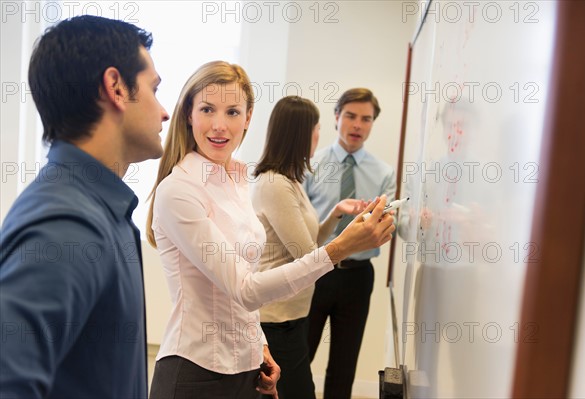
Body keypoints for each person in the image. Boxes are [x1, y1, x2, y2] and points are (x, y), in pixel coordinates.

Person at [146, 63, 394, 399]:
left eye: (232, 111)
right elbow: (245, 289)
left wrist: (258, 347)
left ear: (248, 118)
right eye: (207, 109)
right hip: (195, 371)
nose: (220, 125)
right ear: (189, 114)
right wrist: (341, 248)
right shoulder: (179, 190)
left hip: (247, 367)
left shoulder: (236, 181)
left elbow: (246, 279)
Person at [0, 15, 169, 398]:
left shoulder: (95, 208)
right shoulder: (69, 223)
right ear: (115, 87)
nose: (164, 111)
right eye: (154, 89)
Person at [251, 96, 367, 399]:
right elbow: (307, 255)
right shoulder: (274, 184)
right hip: (276, 320)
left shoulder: (292, 180)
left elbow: (310, 240)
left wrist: (336, 213)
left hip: (293, 316)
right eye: (316, 127)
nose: (319, 135)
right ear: (300, 133)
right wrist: (352, 237)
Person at [303, 88, 397, 398]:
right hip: (315, 271)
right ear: (336, 117)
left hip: (358, 276)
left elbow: (390, 224)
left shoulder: (384, 174)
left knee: (344, 365)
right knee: (299, 358)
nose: (358, 125)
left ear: (372, 124)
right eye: (351, 116)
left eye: (366, 119)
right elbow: (299, 223)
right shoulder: (311, 165)